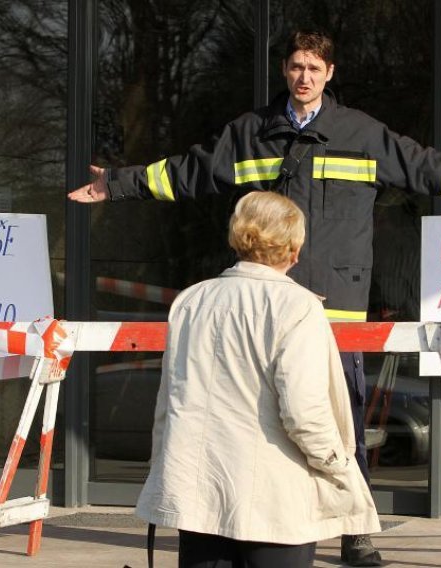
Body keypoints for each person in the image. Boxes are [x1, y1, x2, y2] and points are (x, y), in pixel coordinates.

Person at [70, 29, 441, 566]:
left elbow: (427, 166)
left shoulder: (360, 133)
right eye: (297, 67)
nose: (304, 77)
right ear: (286, 70)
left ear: (330, 74)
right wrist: (116, 184)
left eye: (314, 69)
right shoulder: (249, 133)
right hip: (262, 309)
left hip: (334, 313)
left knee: (336, 419)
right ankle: (245, 522)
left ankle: (353, 529)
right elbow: (188, 171)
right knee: (248, 422)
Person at [135, 191, 381, 568]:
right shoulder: (299, 307)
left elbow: (169, 398)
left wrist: (163, 464)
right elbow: (304, 412)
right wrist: (339, 464)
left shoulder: (190, 301)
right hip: (276, 498)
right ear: (294, 249)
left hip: (199, 490)